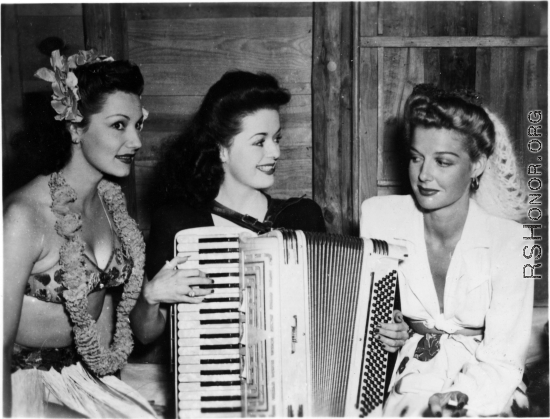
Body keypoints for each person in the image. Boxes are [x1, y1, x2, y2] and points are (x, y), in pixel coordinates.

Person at [130, 70, 410, 352]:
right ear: (221, 150)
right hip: (212, 386)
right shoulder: (178, 223)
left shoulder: (301, 217)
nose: (274, 152)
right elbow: (144, 334)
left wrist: (388, 330)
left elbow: (336, 318)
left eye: (277, 138)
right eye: (259, 141)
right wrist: (150, 297)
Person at [3, 49, 206, 418]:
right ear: (75, 127)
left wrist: (152, 295)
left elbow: (134, 334)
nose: (136, 142)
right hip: (17, 388)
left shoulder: (110, 206)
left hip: (79, 379)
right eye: (118, 126)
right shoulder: (22, 217)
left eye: (137, 125)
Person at [360, 84, 534, 416]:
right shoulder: (379, 219)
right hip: (413, 377)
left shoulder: (515, 242)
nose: (423, 175)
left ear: (478, 165)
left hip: (489, 383)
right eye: (416, 158)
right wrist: (389, 326)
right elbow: (372, 319)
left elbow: (505, 357)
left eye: (443, 161)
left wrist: (458, 400)